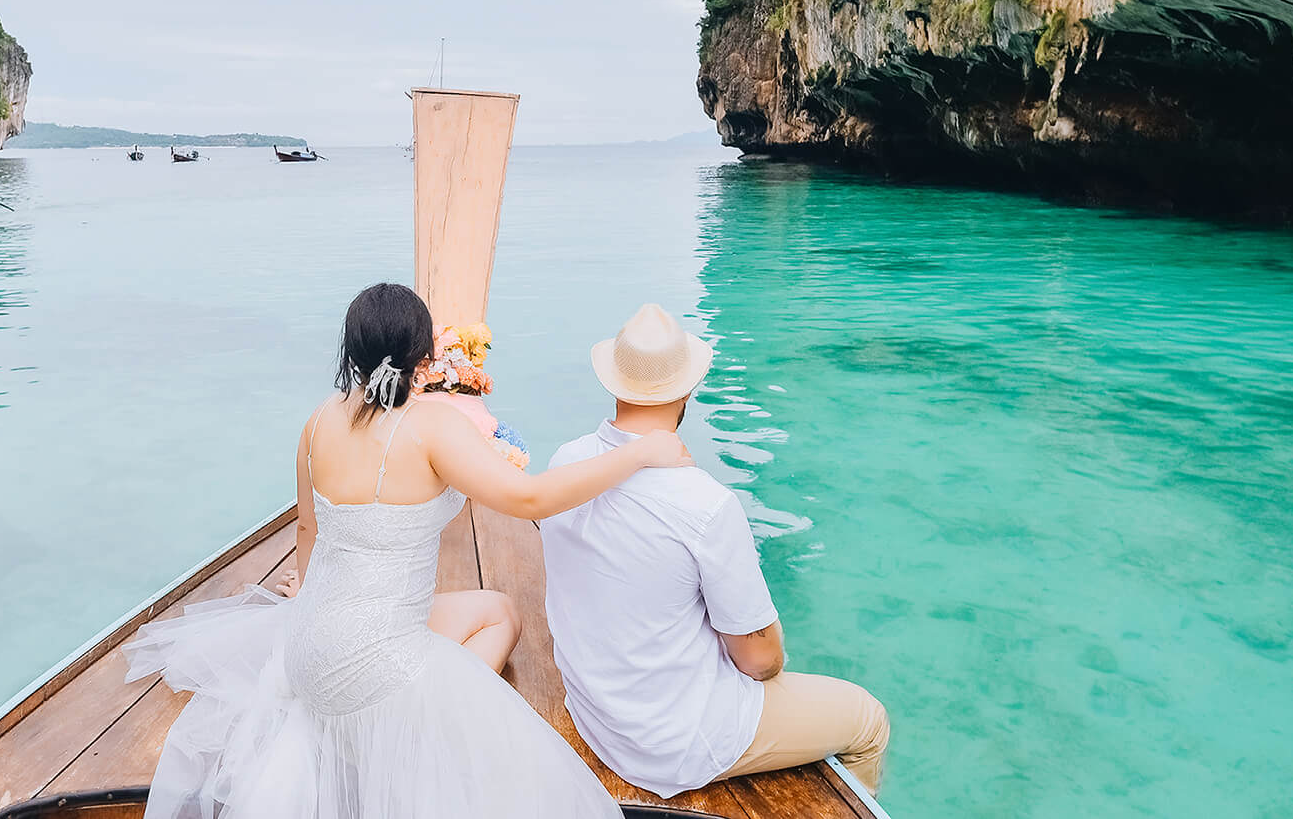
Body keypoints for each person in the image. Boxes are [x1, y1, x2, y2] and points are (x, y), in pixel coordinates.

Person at [122, 282, 691, 819]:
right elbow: (529, 498)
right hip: (373, 668)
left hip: (305, 649)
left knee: (497, 610)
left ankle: (411, 709)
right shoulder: (431, 425)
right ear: (423, 362)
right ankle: (423, 725)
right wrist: (640, 455)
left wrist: (305, 591)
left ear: (351, 352)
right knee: (503, 627)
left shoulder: (318, 421)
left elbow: (308, 534)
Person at [539, 303, 890, 800]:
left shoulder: (567, 462)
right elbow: (760, 662)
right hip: (670, 744)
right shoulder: (705, 504)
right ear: (686, 389)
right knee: (868, 720)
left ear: (613, 384)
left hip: (595, 710)